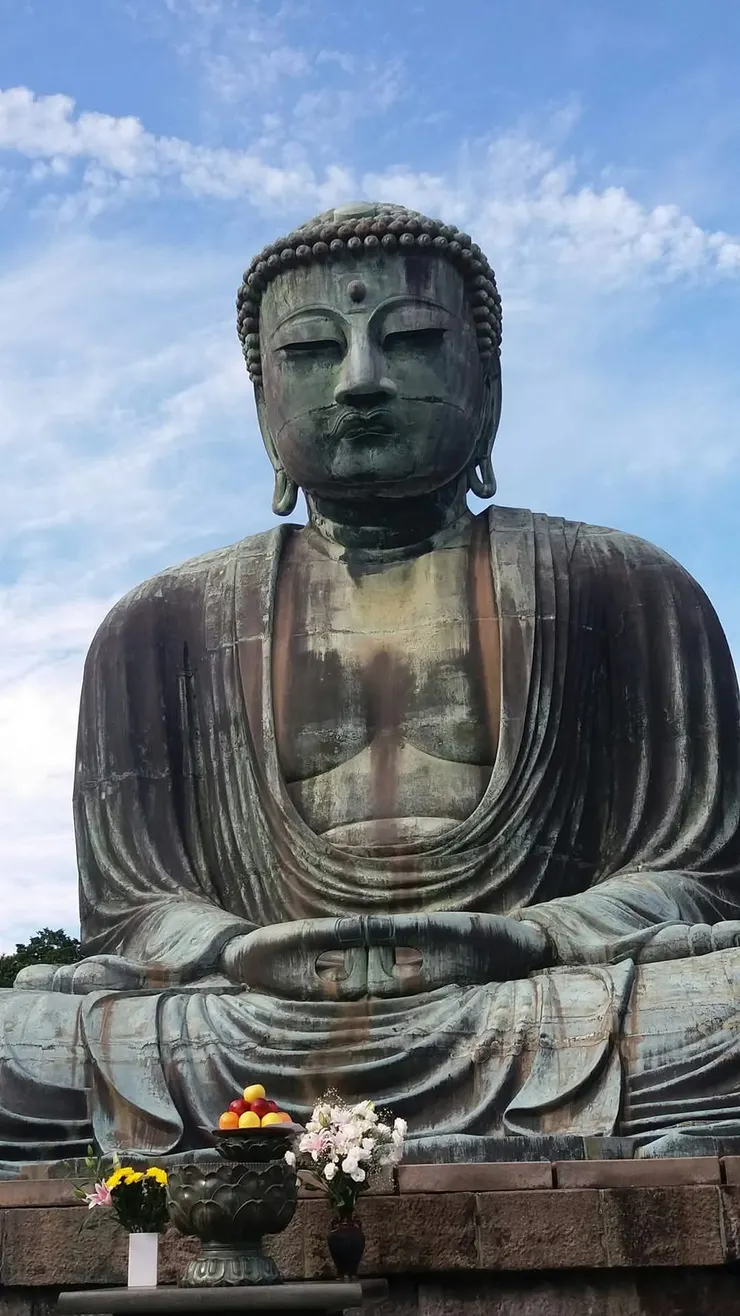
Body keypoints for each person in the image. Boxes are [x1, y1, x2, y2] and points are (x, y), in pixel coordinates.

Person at [3, 201, 740, 1172]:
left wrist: (519, 936)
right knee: (25, 1044)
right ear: (260, 396)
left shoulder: (621, 586)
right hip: (253, 1023)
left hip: (533, 1003)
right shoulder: (160, 627)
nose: (359, 381)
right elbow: (139, 908)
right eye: (311, 351)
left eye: (412, 339)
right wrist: (237, 948)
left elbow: (694, 876)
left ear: (486, 382)